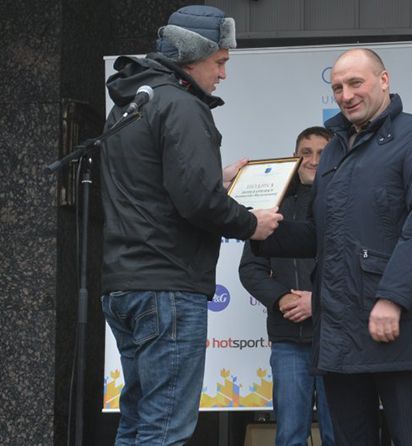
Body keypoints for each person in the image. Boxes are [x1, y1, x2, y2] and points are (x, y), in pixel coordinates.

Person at [100, 5, 282, 445]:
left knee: (137, 422)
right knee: (164, 428)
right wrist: (250, 224)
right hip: (168, 287)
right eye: (219, 62)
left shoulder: (131, 104)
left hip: (125, 285)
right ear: (191, 56)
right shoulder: (182, 106)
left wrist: (213, 178)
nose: (223, 74)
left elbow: (150, 185)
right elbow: (198, 203)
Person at [253, 48, 412, 445]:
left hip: (395, 327)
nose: (346, 95)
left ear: (384, 80)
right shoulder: (333, 150)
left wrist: (392, 299)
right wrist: (258, 228)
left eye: (355, 83)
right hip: (339, 333)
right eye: (338, 87)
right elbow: (320, 233)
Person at [239, 126, 335, 446]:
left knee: (341, 435)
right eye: (306, 152)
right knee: (290, 435)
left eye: (322, 153)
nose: (313, 160)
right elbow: (251, 268)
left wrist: (316, 301)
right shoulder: (271, 207)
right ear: (294, 157)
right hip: (288, 340)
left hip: (336, 338)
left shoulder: (347, 204)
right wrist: (281, 298)